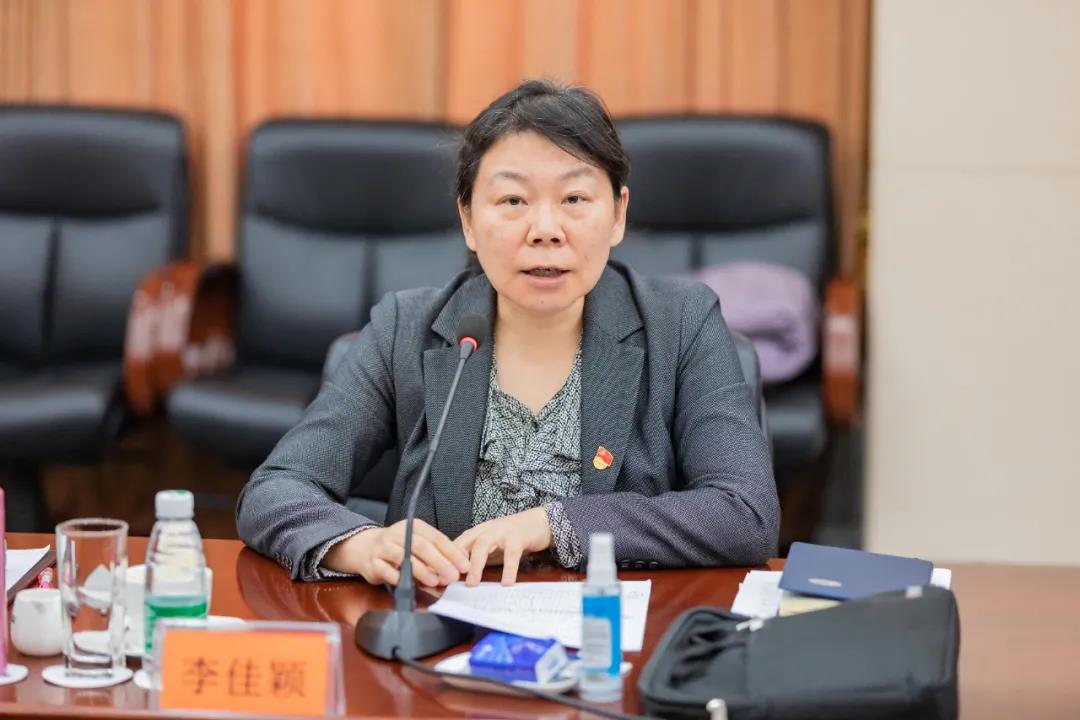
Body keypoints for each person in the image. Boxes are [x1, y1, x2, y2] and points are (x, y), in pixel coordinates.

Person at [236, 79, 779, 588]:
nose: (545, 230)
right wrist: (358, 544)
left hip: (612, 634)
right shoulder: (407, 328)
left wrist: (554, 524)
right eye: (513, 201)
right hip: (441, 631)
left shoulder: (682, 325)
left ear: (617, 214)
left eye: (574, 199)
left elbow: (745, 512)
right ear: (468, 220)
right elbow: (276, 488)